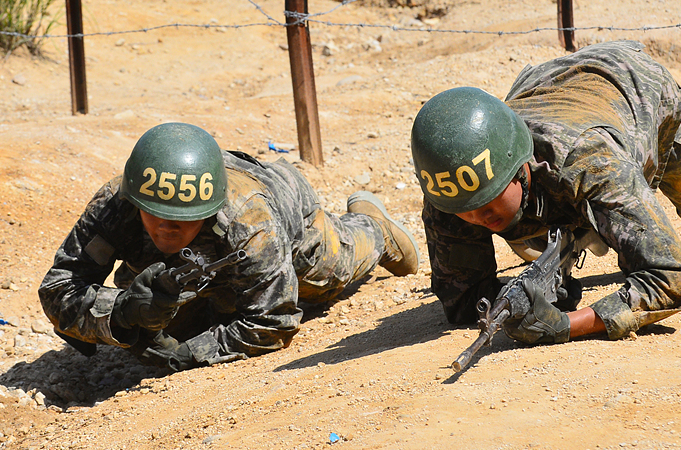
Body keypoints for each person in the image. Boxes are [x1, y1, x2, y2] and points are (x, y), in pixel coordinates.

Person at [410, 40, 681, 346]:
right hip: (556, 89)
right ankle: (572, 229)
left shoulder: (589, 161)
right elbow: (466, 300)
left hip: (648, 102)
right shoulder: (454, 183)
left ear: (522, 168)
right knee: (538, 233)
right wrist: (524, 298)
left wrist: (566, 324)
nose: (478, 216)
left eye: (489, 203)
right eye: (466, 211)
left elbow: (672, 278)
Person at [39, 122, 419, 371]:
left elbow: (275, 321)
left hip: (289, 220)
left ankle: (374, 225)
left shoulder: (250, 221)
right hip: (204, 261)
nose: (166, 229)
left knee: (329, 275)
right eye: (154, 215)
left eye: (182, 219)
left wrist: (191, 354)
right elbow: (59, 288)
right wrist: (123, 310)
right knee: (156, 312)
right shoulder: (118, 201)